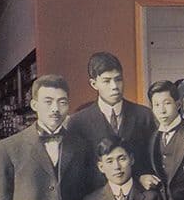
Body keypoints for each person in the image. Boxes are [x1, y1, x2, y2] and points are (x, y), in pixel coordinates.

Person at [67, 52, 157, 191]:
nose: (114, 86)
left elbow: (151, 160)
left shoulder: (144, 116)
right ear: (93, 83)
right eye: (107, 81)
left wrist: (141, 176)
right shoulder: (78, 122)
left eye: (118, 79)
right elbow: (78, 171)